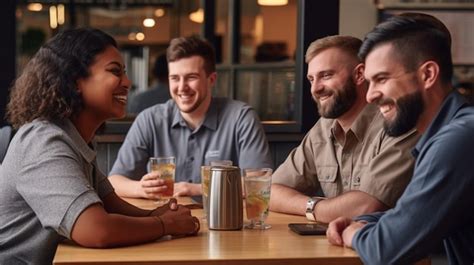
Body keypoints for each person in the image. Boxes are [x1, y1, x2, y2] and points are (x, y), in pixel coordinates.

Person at [0, 28, 199, 264]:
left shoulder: (75, 137)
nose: (127, 82)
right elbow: (96, 230)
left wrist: (157, 214)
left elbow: (110, 204)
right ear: (75, 81)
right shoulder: (44, 141)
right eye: (115, 71)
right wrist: (165, 224)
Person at [326, 14, 474, 264]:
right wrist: (366, 222)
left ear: (428, 74)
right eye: (370, 81)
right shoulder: (448, 133)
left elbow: (386, 251)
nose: (371, 96)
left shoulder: (458, 140)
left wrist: (355, 233)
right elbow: (413, 216)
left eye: (382, 79)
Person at [269, 35, 419, 224]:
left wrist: (315, 208)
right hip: (339, 245)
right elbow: (271, 190)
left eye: (326, 75)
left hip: (391, 251)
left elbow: (364, 207)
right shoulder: (324, 127)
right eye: (311, 79)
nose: (315, 89)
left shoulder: (398, 123)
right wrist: (318, 208)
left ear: (359, 75)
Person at [109, 35, 272, 199]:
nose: (181, 87)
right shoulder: (150, 119)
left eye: (191, 77)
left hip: (224, 222)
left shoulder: (241, 118)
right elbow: (114, 181)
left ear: (211, 79)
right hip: (165, 221)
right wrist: (142, 189)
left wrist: (196, 189)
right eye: (175, 78)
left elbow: (258, 184)